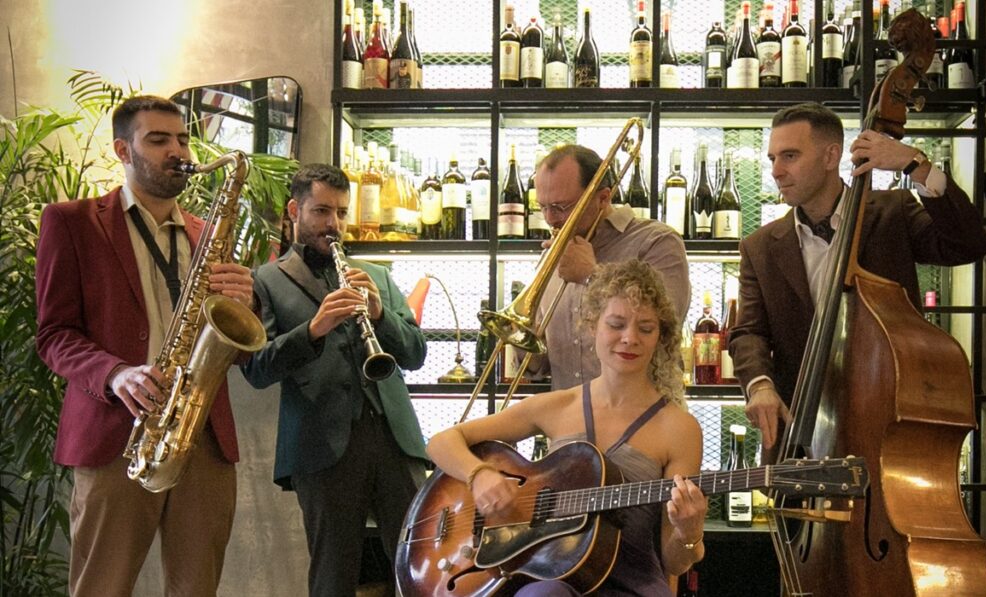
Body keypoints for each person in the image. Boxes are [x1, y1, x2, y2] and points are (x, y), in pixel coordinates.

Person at [35, 95, 255, 596]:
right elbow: (54, 335)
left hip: (201, 434)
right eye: (158, 140)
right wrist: (117, 374)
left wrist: (245, 301)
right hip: (116, 433)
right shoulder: (72, 221)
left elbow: (241, 349)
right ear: (123, 150)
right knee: (102, 587)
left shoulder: (207, 233)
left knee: (197, 588)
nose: (177, 151)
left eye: (182, 139)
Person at [428, 259, 707, 597]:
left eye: (646, 328)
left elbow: (675, 562)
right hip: (545, 578)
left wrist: (688, 533)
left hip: (632, 587)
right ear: (592, 326)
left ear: (660, 336)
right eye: (616, 324)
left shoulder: (680, 428)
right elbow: (442, 442)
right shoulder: (556, 406)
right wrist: (479, 475)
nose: (630, 338)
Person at [730, 102, 986, 456]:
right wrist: (760, 385)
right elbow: (748, 332)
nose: (776, 171)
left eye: (790, 156)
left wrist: (917, 166)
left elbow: (968, 245)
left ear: (830, 156)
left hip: (888, 427)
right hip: (799, 433)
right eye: (773, 158)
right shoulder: (759, 246)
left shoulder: (894, 212)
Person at [240, 163, 429, 597]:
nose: (335, 225)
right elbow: (257, 369)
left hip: (394, 438)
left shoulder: (378, 276)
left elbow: (416, 354)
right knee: (333, 574)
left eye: (341, 212)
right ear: (294, 210)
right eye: (322, 212)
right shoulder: (264, 281)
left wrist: (380, 314)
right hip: (321, 445)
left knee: (420, 565)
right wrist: (312, 330)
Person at [526, 144, 691, 390]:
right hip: (569, 412)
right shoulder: (551, 257)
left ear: (602, 198)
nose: (550, 219)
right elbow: (539, 367)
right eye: (543, 207)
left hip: (642, 412)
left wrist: (591, 276)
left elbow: (664, 327)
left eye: (562, 207)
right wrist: (518, 338)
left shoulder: (657, 242)